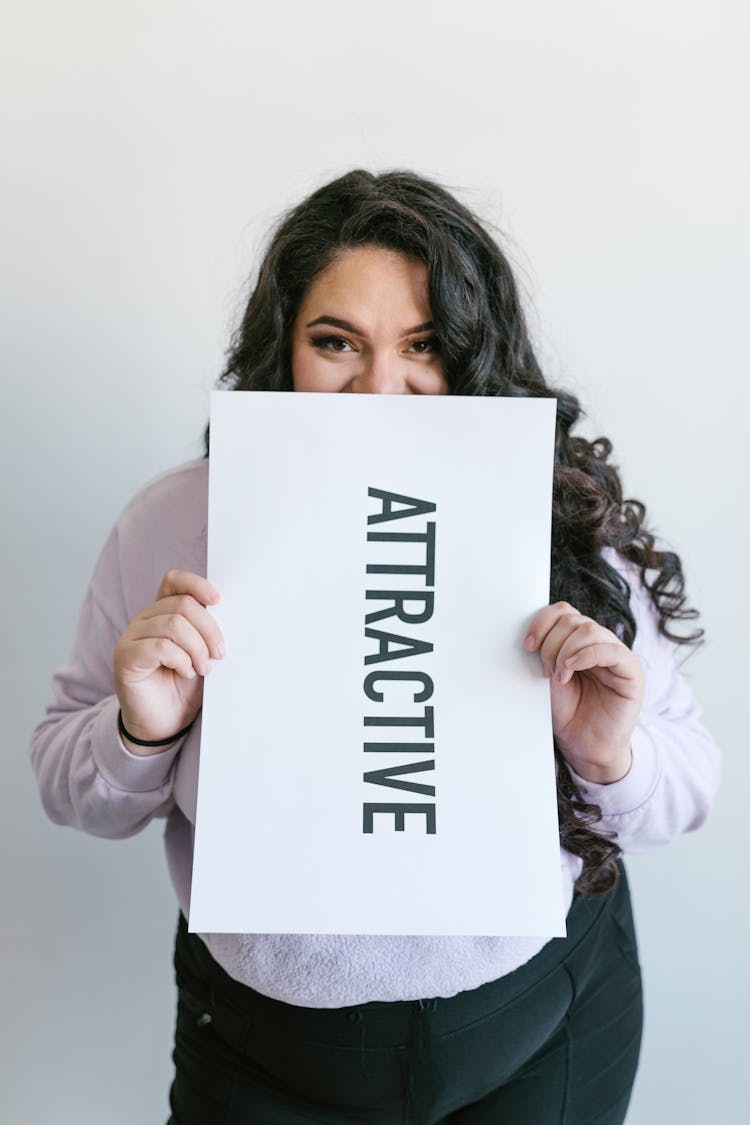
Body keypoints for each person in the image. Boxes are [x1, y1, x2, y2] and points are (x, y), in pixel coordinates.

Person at [30, 169, 720, 1125]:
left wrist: (613, 753)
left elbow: (690, 783)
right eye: (336, 343)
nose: (379, 388)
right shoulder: (175, 522)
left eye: (424, 346)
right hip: (265, 1047)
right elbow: (68, 785)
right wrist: (139, 734)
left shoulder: (553, 519)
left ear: (473, 350)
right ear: (284, 348)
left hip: (541, 1015)